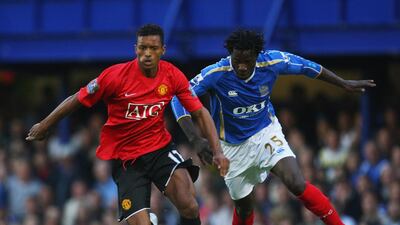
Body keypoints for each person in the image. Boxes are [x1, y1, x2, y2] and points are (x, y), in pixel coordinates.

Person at [26, 24, 229, 225]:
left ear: (163, 50)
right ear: (135, 49)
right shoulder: (114, 76)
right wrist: (45, 125)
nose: (147, 54)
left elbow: (200, 112)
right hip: (127, 160)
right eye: (143, 48)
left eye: (153, 48)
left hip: (160, 149)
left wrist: (217, 150)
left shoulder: (172, 75)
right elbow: (77, 98)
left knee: (190, 204)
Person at [171, 29, 376, 225]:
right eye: (237, 61)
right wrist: (195, 139)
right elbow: (177, 100)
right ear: (230, 55)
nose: (242, 66)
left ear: (257, 56)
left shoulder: (272, 61)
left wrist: (343, 83)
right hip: (232, 148)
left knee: (296, 182)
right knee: (244, 208)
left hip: (265, 132)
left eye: (247, 62)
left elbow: (306, 66)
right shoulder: (216, 73)